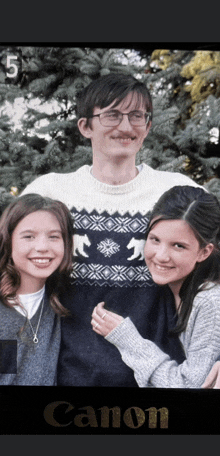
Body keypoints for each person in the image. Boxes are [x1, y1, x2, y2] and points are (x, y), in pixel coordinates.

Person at [21, 73, 201, 386]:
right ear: (85, 126)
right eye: (112, 115)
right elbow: (10, 282)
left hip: (159, 378)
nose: (126, 126)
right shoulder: (50, 193)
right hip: (63, 380)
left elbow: (213, 280)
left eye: (137, 116)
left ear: (146, 127)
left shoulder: (179, 192)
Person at [91, 185, 220, 388]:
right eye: (155, 240)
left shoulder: (209, 301)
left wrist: (128, 339)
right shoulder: (174, 289)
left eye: (178, 246)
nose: (161, 256)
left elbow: (189, 386)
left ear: (204, 252)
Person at [0, 193, 73, 385]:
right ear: (8, 241)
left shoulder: (59, 301)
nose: (42, 247)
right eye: (29, 236)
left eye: (54, 237)